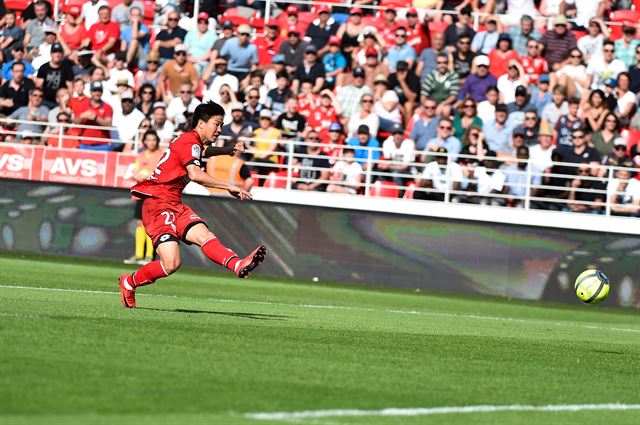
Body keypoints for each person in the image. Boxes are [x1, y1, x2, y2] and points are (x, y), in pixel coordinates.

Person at [119, 101, 266, 308]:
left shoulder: (191, 142)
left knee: (204, 235)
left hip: (173, 203)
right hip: (158, 204)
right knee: (171, 264)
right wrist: (229, 186)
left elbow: (202, 153)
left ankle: (237, 264)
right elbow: (195, 174)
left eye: (222, 125)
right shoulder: (190, 142)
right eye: (216, 124)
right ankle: (129, 281)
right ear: (201, 123)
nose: (219, 129)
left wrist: (228, 150)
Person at [125, 130, 164, 265]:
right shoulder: (141, 155)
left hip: (153, 194)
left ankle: (148, 256)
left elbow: (162, 173)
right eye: (148, 139)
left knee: (150, 224)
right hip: (141, 192)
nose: (151, 142)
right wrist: (139, 176)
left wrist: (149, 176)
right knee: (139, 223)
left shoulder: (161, 155)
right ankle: (138, 255)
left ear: (157, 141)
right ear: (145, 141)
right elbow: (135, 172)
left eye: (153, 139)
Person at [74, 81, 113, 150]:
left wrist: (96, 118)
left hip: (102, 145)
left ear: (102, 92)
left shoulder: (107, 107)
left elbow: (109, 125)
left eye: (99, 90)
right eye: (95, 90)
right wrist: (82, 116)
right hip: (85, 144)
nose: (97, 93)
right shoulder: (82, 104)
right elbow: (75, 122)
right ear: (91, 92)